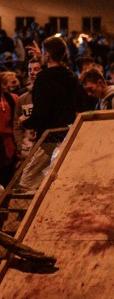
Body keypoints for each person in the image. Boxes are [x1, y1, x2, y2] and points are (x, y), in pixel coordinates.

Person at [19, 36, 87, 190]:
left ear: (47, 55)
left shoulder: (43, 79)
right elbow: (82, 102)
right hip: (67, 136)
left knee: (27, 182)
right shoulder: (71, 76)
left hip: (48, 139)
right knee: (57, 180)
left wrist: (25, 121)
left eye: (43, 53)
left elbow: (40, 114)